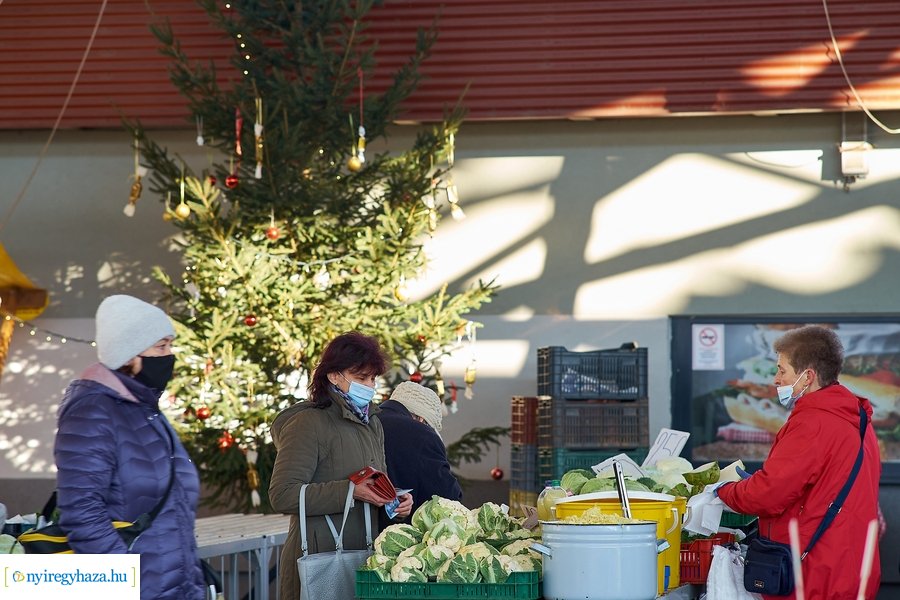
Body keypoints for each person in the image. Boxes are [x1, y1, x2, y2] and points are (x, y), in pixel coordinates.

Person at [54, 294, 206, 600]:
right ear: (128, 354)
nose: (170, 356)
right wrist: (124, 583)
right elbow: (81, 511)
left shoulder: (144, 410)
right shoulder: (93, 410)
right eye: (161, 346)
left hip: (176, 586)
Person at [716, 325, 882, 599]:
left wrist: (722, 490)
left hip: (815, 574)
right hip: (850, 566)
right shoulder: (856, 417)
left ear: (808, 376)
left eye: (782, 370)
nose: (775, 379)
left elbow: (767, 494)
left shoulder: (813, 423)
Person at [268, 331, 413, 600]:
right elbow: (283, 494)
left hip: (364, 559)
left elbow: (375, 482)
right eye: (360, 378)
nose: (369, 386)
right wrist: (350, 491)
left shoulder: (373, 423)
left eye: (372, 378)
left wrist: (396, 501)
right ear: (334, 376)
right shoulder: (309, 424)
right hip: (317, 561)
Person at [377, 381, 462, 527]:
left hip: (357, 527)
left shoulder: (368, 419)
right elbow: (448, 497)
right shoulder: (421, 433)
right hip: (402, 535)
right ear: (422, 419)